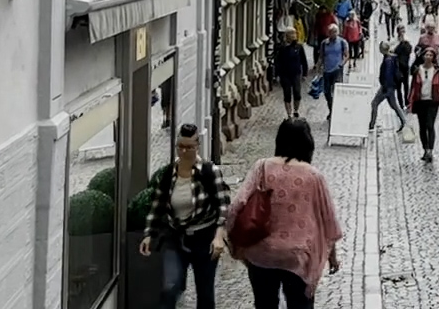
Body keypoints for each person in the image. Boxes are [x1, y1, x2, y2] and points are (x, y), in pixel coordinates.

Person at [227, 118, 342, 308]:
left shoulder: (262, 167)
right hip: (297, 256)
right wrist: (332, 257)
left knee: (264, 304)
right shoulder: (314, 176)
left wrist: (235, 244)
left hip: (261, 253)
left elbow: (237, 204)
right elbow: (328, 219)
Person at [140, 123, 231, 309]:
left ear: (197, 146)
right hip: (175, 237)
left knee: (205, 294)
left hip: (204, 239)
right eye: (180, 146)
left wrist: (218, 236)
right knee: (169, 287)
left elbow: (223, 205)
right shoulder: (168, 174)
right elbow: (157, 205)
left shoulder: (209, 172)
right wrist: (149, 234)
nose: (184, 151)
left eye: (189, 147)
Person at [406, 46, 439, 163]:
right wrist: (410, 101)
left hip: (433, 101)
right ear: (423, 56)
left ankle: (430, 150)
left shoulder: (437, 71)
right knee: (422, 127)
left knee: (430, 125)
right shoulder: (417, 70)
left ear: (434, 57)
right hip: (420, 101)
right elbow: (413, 87)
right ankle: (425, 148)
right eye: (427, 55)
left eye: (431, 55)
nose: (428, 57)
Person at [368, 43, 408, 134]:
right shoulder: (391, 58)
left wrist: (385, 87)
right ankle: (403, 120)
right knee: (393, 105)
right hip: (391, 86)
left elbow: (388, 74)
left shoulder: (388, 60)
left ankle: (371, 125)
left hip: (387, 87)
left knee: (374, 103)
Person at [273, 28, 310, 120]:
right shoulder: (282, 48)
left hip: (296, 73)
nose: (293, 35)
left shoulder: (299, 47)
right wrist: (277, 74)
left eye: (294, 33)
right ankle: (289, 113)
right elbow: (278, 62)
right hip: (284, 74)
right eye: (291, 34)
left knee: (297, 93)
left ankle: (296, 110)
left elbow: (303, 61)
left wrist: (305, 73)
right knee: (287, 93)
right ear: (287, 35)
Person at [317, 24, 349, 120]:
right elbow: (321, 56)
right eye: (331, 32)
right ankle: (331, 109)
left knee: (336, 91)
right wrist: (318, 68)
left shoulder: (342, 42)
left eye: (335, 32)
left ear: (337, 32)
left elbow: (346, 55)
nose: (333, 34)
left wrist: (342, 64)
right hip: (327, 71)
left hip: (337, 70)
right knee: (327, 92)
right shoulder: (324, 43)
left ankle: (336, 111)